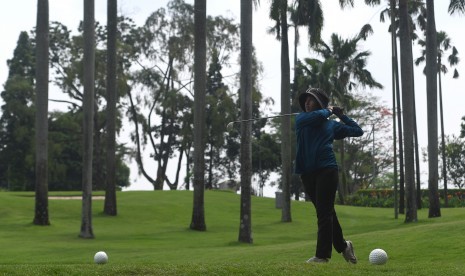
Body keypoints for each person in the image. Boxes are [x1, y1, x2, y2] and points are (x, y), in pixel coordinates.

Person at [295, 88, 363, 264]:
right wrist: (329, 110)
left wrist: (341, 116)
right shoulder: (302, 119)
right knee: (326, 212)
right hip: (307, 172)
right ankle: (343, 246)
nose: (307, 103)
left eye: (312, 100)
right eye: (306, 100)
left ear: (319, 104)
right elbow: (317, 117)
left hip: (327, 169)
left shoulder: (331, 125)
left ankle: (322, 256)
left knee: (324, 213)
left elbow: (357, 131)